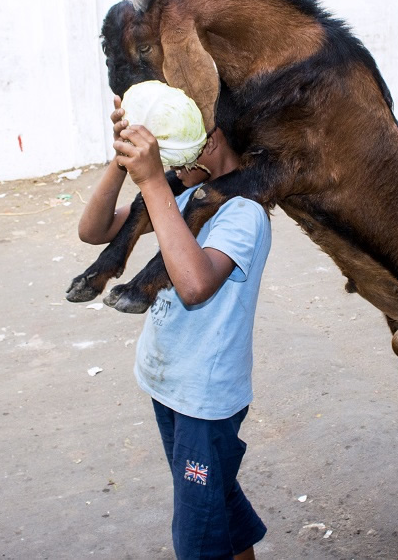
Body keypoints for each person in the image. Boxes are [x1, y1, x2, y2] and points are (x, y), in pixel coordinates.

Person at [78, 95, 271, 558]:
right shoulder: (183, 190)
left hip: (205, 401)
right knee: (217, 505)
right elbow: (94, 230)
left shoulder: (244, 211)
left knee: (198, 539)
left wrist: (154, 183)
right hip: (169, 386)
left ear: (209, 141)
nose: (164, 164)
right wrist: (124, 164)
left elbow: (194, 285)